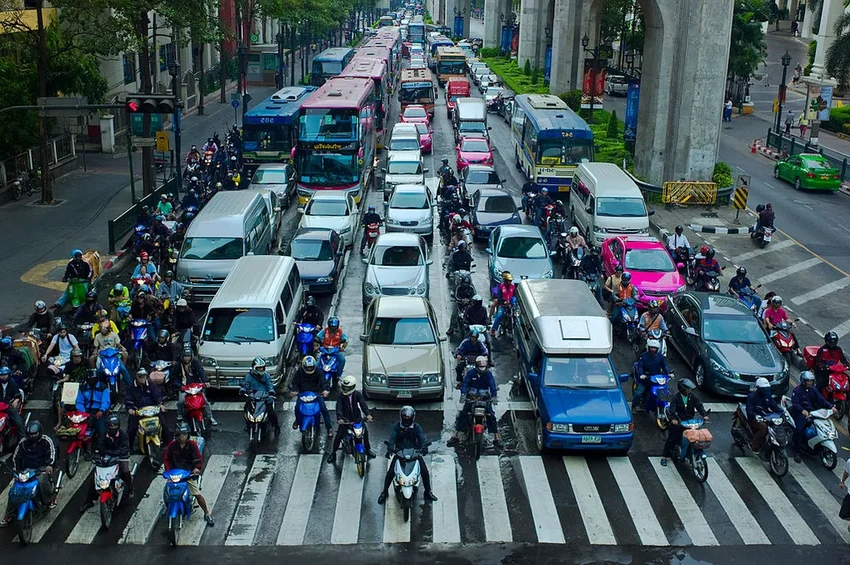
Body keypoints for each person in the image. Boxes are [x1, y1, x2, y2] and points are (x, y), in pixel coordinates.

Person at [0, 421, 57, 527]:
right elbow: (16, 457)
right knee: (14, 490)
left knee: (43, 482)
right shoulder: (23, 442)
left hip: (41, 469)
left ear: (39, 432)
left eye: (35, 434)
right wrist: (15, 471)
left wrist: (50, 465)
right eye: (31, 434)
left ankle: (50, 499)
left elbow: (52, 453)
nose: (33, 436)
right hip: (26, 471)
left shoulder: (46, 441)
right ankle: (9, 514)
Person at [377, 406, 437, 504]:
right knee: (390, 472)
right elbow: (392, 438)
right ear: (401, 417)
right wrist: (390, 448)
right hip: (400, 453)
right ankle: (384, 492)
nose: (407, 420)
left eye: (409, 417)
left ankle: (428, 492)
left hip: (415, 453)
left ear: (413, 417)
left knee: (425, 472)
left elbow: (422, 438)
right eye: (405, 417)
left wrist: (424, 447)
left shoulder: (417, 427)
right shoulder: (396, 426)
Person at [79, 414, 133, 513]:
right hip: (107, 459)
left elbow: (124, 448)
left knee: (125, 471)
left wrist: (112, 453)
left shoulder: (123, 435)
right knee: (94, 479)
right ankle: (89, 500)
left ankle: (129, 490)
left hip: (120, 458)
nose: (113, 428)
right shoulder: (103, 435)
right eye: (111, 426)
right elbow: (101, 447)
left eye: (115, 425)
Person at [163, 421, 214, 527]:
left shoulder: (192, 445)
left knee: (197, 494)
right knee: (167, 493)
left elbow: (198, 458)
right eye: (181, 434)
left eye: (185, 434)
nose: (183, 437)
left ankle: (207, 513)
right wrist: (168, 471)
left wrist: (196, 468)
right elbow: (167, 459)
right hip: (174, 474)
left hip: (188, 474)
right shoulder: (172, 446)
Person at [447, 356, 501, 448]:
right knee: (463, 415)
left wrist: (494, 396)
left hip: (484, 398)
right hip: (471, 397)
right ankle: (455, 435)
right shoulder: (471, 373)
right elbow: (465, 384)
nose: (482, 368)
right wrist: (463, 395)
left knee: (491, 416)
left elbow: (492, 385)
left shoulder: (488, 374)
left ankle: (497, 437)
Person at [327, 375, 376, 463]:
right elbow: (339, 407)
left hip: (357, 419)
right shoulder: (341, 396)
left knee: (365, 434)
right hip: (345, 420)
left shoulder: (357, 394)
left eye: (348, 388)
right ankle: (333, 453)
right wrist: (340, 418)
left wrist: (368, 414)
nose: (346, 390)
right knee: (338, 436)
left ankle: (368, 449)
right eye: (344, 387)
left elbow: (363, 404)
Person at [790, 371, 836, 463]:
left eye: (811, 381)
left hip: (812, 412)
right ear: (803, 381)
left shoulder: (813, 390)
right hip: (799, 413)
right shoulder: (797, 391)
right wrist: (802, 410)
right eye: (808, 381)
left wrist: (831, 407)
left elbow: (821, 400)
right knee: (799, 430)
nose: (810, 382)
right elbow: (795, 403)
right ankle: (797, 452)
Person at [660, 379, 709, 466]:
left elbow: (699, 405)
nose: (690, 390)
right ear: (683, 389)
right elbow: (672, 410)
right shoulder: (676, 398)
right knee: (672, 438)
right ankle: (664, 456)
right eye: (688, 389)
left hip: (689, 422)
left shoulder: (692, 397)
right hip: (679, 422)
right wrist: (673, 419)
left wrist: (704, 415)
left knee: (695, 438)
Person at [175, 347, 217, 426]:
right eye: (185, 356)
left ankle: (210, 416)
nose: (187, 358)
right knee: (181, 401)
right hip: (185, 387)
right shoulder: (178, 365)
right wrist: (179, 386)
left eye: (188, 356)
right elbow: (174, 377)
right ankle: (180, 415)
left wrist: (205, 381)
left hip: (196, 387)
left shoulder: (195, 363)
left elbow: (201, 372)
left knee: (204, 401)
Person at [125, 369, 167, 443]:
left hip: (152, 411)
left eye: (144, 377)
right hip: (138, 411)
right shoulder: (131, 387)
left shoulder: (152, 385)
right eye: (140, 377)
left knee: (164, 424)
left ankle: (168, 443)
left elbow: (157, 396)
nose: (142, 379)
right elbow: (129, 399)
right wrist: (130, 409)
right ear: (136, 377)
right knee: (132, 428)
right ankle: (130, 447)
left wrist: (161, 405)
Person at [242, 357, 281, 434]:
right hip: (253, 397)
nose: (261, 370)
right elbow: (246, 384)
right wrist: (243, 390)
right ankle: (248, 424)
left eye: (262, 368)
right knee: (247, 408)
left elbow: (269, 384)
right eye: (259, 368)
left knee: (271, 411)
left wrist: (271, 391)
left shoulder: (266, 376)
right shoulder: (249, 377)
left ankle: (276, 425)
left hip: (265, 397)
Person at [632, 339, 672, 412]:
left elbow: (664, 366)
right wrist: (642, 375)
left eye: (654, 348)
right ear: (649, 348)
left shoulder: (660, 357)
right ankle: (634, 406)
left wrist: (668, 373)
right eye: (651, 347)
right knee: (638, 393)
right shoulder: (643, 356)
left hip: (656, 379)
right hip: (645, 379)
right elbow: (640, 366)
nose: (653, 349)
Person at [51, 348, 88, 428]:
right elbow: (67, 376)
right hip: (72, 386)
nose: (76, 358)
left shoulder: (86, 363)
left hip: (83, 385)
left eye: (78, 356)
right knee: (61, 402)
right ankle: (60, 422)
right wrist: (62, 380)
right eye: (74, 356)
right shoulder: (69, 365)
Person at [744, 377, 781, 455]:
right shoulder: (752, 397)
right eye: (764, 389)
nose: (766, 391)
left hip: (766, 416)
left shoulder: (768, 396)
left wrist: (782, 412)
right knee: (764, 429)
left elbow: (774, 406)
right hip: (755, 418)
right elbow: (749, 410)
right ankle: (753, 444)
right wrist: (755, 415)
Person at [91, 321, 131, 387]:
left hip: (113, 354)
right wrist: (95, 352)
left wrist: (122, 348)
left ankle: (130, 385)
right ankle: (96, 383)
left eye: (104, 328)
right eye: (101, 328)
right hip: (102, 355)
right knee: (98, 369)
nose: (102, 330)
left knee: (123, 369)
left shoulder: (114, 335)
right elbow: (96, 347)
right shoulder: (98, 336)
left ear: (108, 329)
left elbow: (118, 345)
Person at [0, 367, 25, 439]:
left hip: (8, 405)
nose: (3, 377)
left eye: (5, 375)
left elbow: (17, 394)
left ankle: (22, 439)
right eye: (1, 375)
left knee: (18, 422)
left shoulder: (12, 383)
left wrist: (16, 400)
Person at [490, 271, 517, 336]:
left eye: (510, 280)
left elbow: (515, 295)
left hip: (511, 305)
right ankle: (493, 329)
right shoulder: (501, 286)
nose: (510, 282)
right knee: (499, 316)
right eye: (508, 280)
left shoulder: (513, 287)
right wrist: (503, 301)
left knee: (516, 317)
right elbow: (499, 297)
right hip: (503, 305)